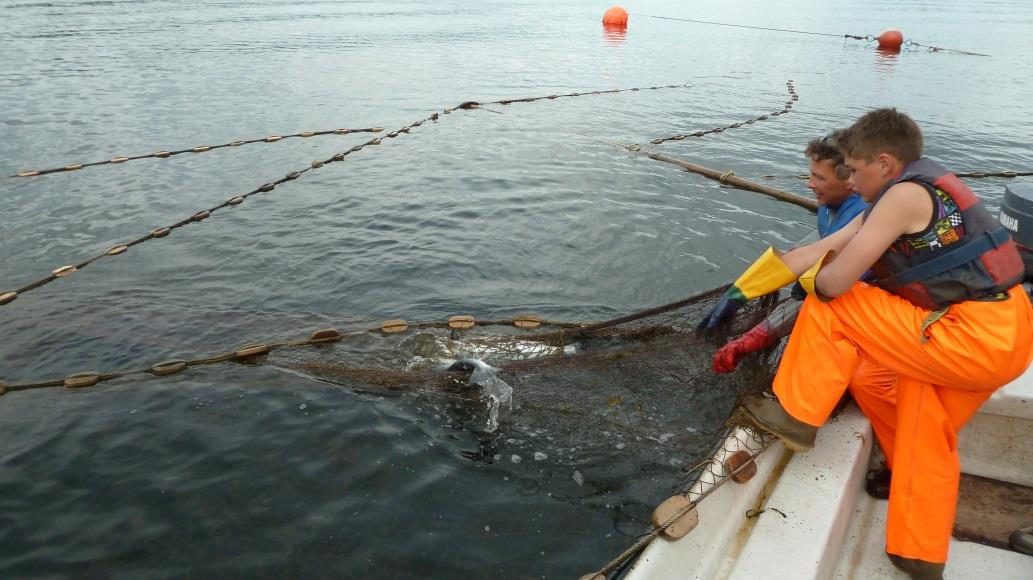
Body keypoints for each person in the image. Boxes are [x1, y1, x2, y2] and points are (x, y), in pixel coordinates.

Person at [700, 108, 1032, 579]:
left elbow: (834, 284)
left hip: (969, 335)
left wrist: (812, 285)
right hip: (1009, 332)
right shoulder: (920, 189)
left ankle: (795, 413)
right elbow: (818, 249)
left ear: (883, 162)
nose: (850, 182)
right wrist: (742, 291)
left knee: (831, 301)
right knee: (886, 391)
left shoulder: (902, 197)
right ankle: (918, 551)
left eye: (854, 171)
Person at [709, 131, 867, 373]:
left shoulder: (863, 218)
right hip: (834, 286)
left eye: (819, 177)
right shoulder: (829, 204)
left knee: (810, 300)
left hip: (862, 310)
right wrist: (739, 293)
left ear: (850, 180)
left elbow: (823, 300)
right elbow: (806, 248)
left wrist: (754, 338)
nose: (809, 183)